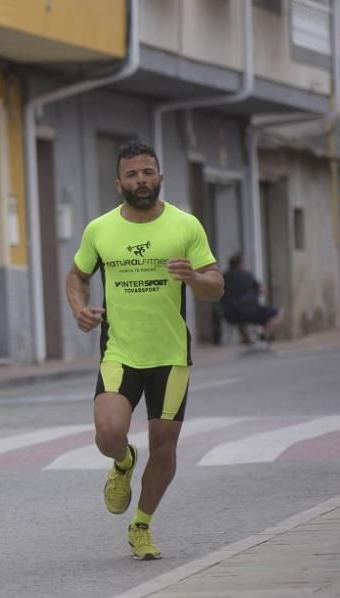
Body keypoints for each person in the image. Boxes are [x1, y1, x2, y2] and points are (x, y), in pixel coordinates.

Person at [65, 140, 224, 560]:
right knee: (109, 433)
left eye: (148, 172)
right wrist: (80, 308)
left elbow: (215, 286)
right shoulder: (100, 229)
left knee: (165, 445)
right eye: (132, 174)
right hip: (120, 350)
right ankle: (122, 462)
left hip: (170, 355)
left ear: (160, 177)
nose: (141, 180)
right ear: (119, 182)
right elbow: (76, 276)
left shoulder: (185, 226)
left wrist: (193, 277)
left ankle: (142, 525)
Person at [221, 252, 283, 345]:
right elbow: (261, 290)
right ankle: (264, 336)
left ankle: (246, 339)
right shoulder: (247, 275)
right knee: (279, 312)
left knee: (240, 315)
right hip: (250, 312)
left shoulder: (223, 277)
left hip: (229, 314)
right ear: (241, 264)